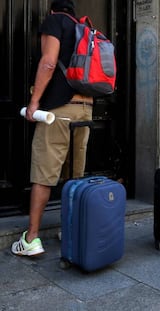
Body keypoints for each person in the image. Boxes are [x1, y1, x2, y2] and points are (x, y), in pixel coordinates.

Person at [11, 0, 93, 256]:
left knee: (44, 175)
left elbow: (48, 62)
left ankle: (31, 239)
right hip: (85, 108)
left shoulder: (54, 22)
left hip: (58, 112)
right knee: (74, 176)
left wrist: (34, 102)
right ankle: (71, 231)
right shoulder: (84, 29)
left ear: (52, 10)